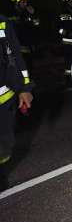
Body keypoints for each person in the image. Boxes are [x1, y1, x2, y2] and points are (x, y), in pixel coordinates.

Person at [1, 14, 34, 188]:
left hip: (4, 98)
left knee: (5, 143)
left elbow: (14, 54)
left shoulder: (2, 22)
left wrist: (24, 88)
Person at [9, 0, 39, 74]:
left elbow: (37, 25)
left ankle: (27, 83)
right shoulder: (9, 14)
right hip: (13, 48)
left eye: (26, 1)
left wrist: (33, 14)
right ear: (16, 3)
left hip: (27, 46)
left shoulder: (27, 13)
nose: (25, 4)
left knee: (28, 67)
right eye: (23, 2)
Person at [58, 0, 72, 82]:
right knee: (68, 63)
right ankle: (68, 81)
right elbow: (58, 28)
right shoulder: (62, 13)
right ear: (66, 2)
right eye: (71, 1)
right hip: (67, 42)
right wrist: (66, 33)